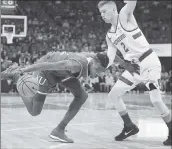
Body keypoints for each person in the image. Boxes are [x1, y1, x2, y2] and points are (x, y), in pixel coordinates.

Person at [1, 51, 138, 143]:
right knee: (34, 111)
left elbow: (113, 56)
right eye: (99, 70)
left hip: (62, 74)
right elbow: (47, 65)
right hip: (47, 71)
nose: (99, 74)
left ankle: (59, 130)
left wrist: (128, 66)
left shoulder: (96, 58)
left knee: (82, 95)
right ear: (95, 63)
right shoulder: (75, 65)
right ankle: (16, 77)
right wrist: (23, 70)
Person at [98, 0, 171, 146]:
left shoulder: (124, 16)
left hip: (148, 62)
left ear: (114, 9)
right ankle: (129, 126)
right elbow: (111, 57)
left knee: (156, 100)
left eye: (104, 11)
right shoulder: (109, 35)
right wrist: (104, 63)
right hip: (134, 68)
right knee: (113, 94)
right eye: (100, 13)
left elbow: (132, 1)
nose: (102, 15)